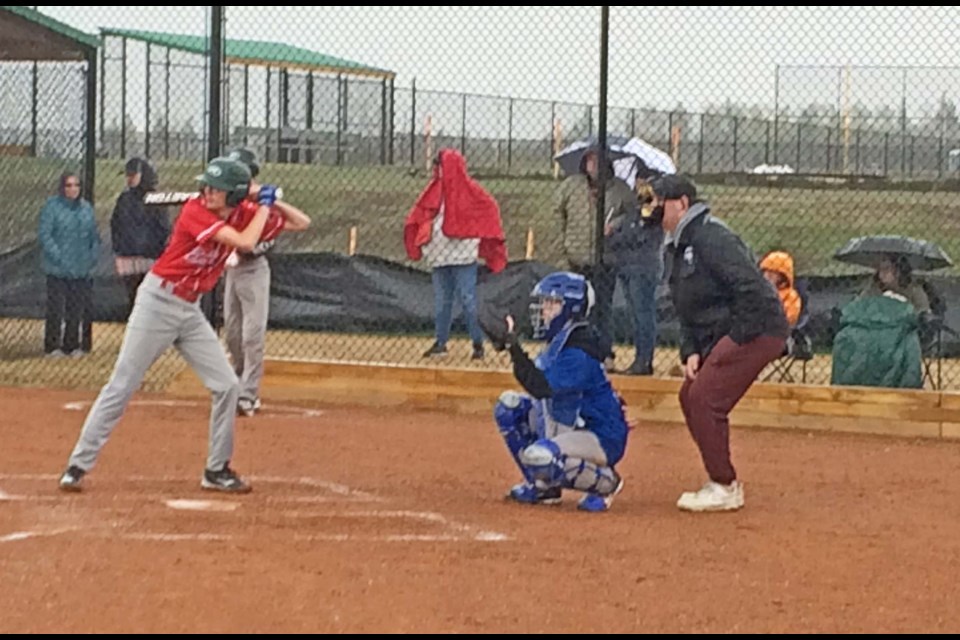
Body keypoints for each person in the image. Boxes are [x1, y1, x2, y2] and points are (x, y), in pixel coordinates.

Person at [57, 157, 291, 494]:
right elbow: (244, 243)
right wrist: (264, 205)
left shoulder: (241, 213)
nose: (207, 192)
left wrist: (264, 199)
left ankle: (216, 469)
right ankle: (77, 465)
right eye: (207, 186)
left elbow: (298, 222)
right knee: (122, 384)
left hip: (189, 309)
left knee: (227, 386)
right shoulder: (195, 211)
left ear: (234, 195)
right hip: (158, 303)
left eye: (217, 189)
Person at [650, 174, 788, 513]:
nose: (652, 209)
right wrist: (692, 349)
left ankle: (724, 485)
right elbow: (686, 304)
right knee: (689, 396)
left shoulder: (711, 237)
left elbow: (752, 290)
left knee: (705, 398)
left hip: (758, 328)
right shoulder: (679, 245)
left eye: (659, 202)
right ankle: (721, 479)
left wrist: (734, 340)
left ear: (682, 203)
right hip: (723, 332)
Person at [482, 271, 629, 512]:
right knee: (509, 407)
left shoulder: (578, 352)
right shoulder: (563, 341)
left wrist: (513, 346)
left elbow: (540, 387)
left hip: (599, 435)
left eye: (552, 304)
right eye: (545, 304)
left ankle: (606, 483)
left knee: (541, 456)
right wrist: (511, 347)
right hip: (572, 424)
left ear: (570, 308)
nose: (544, 311)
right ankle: (544, 487)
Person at [222, 147, 312, 417]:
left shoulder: (264, 209)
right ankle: (238, 385)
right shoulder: (232, 204)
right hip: (233, 270)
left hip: (255, 271)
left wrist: (271, 200)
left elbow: (302, 222)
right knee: (233, 333)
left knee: (252, 334)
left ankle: (249, 394)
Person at [404, 148, 507, 361]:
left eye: (440, 166)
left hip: (462, 257)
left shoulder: (469, 191)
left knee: (468, 300)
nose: (437, 170)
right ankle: (441, 342)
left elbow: (487, 208)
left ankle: (477, 343)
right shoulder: (434, 190)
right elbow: (420, 214)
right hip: (440, 256)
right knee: (443, 301)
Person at [555, 149, 637, 366]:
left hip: (606, 260)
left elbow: (632, 216)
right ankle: (576, 351)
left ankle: (606, 352)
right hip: (577, 258)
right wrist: (565, 244)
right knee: (575, 307)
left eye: (598, 160)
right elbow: (557, 212)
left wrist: (615, 226)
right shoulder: (571, 185)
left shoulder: (620, 189)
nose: (593, 165)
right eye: (590, 160)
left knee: (602, 307)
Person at [607, 176, 665, 375]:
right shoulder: (634, 209)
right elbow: (621, 236)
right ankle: (640, 359)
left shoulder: (654, 214)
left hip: (643, 268)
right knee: (636, 315)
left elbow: (637, 236)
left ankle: (644, 360)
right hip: (627, 266)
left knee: (643, 314)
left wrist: (623, 234)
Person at [38, 172, 100, 358]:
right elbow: (45, 235)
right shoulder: (52, 207)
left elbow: (93, 235)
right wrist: (58, 256)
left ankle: (72, 345)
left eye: (76, 185)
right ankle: (52, 346)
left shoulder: (86, 208)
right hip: (58, 268)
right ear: (62, 188)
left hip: (81, 267)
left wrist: (92, 255)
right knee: (56, 308)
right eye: (68, 185)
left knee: (76, 308)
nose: (73, 189)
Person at [110, 157, 171, 316]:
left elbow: (163, 228)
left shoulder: (155, 198)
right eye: (127, 175)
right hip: (128, 257)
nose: (129, 179)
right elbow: (115, 224)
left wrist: (154, 249)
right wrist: (119, 248)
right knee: (132, 297)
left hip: (150, 257)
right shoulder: (124, 199)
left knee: (150, 299)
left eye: (133, 175)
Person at [859, 254, 930, 314]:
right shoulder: (873, 288)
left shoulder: (913, 289)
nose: (882, 274)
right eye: (879, 269)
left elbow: (924, 311)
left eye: (886, 269)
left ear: (898, 270)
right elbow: (859, 305)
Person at [760, 250, 802, 328]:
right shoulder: (757, 290)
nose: (768, 275)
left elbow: (788, 318)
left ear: (782, 276)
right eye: (766, 271)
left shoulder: (790, 296)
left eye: (774, 272)